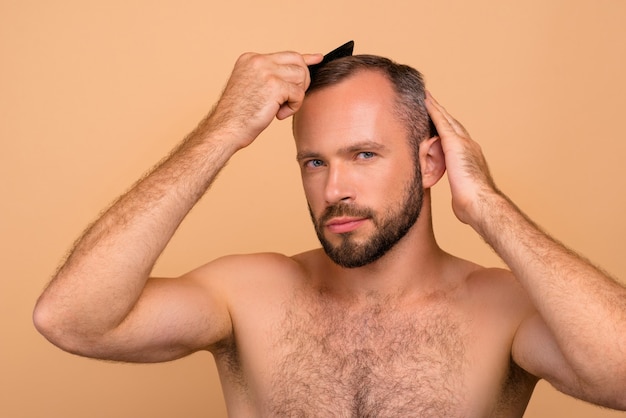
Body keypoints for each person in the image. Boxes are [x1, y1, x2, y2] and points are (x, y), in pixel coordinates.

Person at [33, 46, 626, 417]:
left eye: (364, 155)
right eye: (314, 162)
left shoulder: (504, 309)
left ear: (431, 163)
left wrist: (489, 206)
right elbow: (73, 319)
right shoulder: (252, 294)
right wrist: (223, 131)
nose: (334, 187)